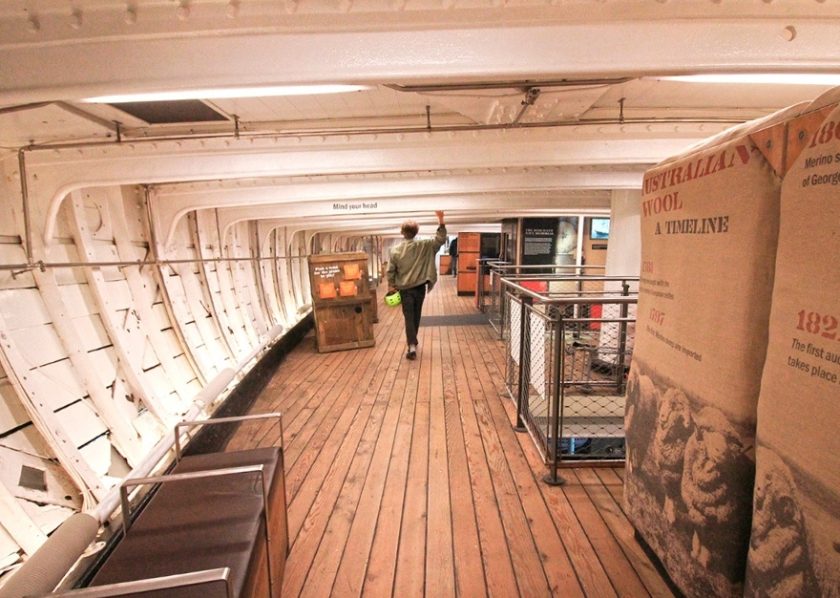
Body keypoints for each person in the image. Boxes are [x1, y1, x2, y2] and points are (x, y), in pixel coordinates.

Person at [387, 210, 446, 360]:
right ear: (417, 231)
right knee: (416, 315)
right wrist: (441, 218)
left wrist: (391, 285)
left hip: (404, 289)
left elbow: (391, 271)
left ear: (402, 232)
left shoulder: (395, 251)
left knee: (408, 316)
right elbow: (441, 238)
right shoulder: (425, 245)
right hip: (420, 287)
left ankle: (411, 345)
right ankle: (413, 341)